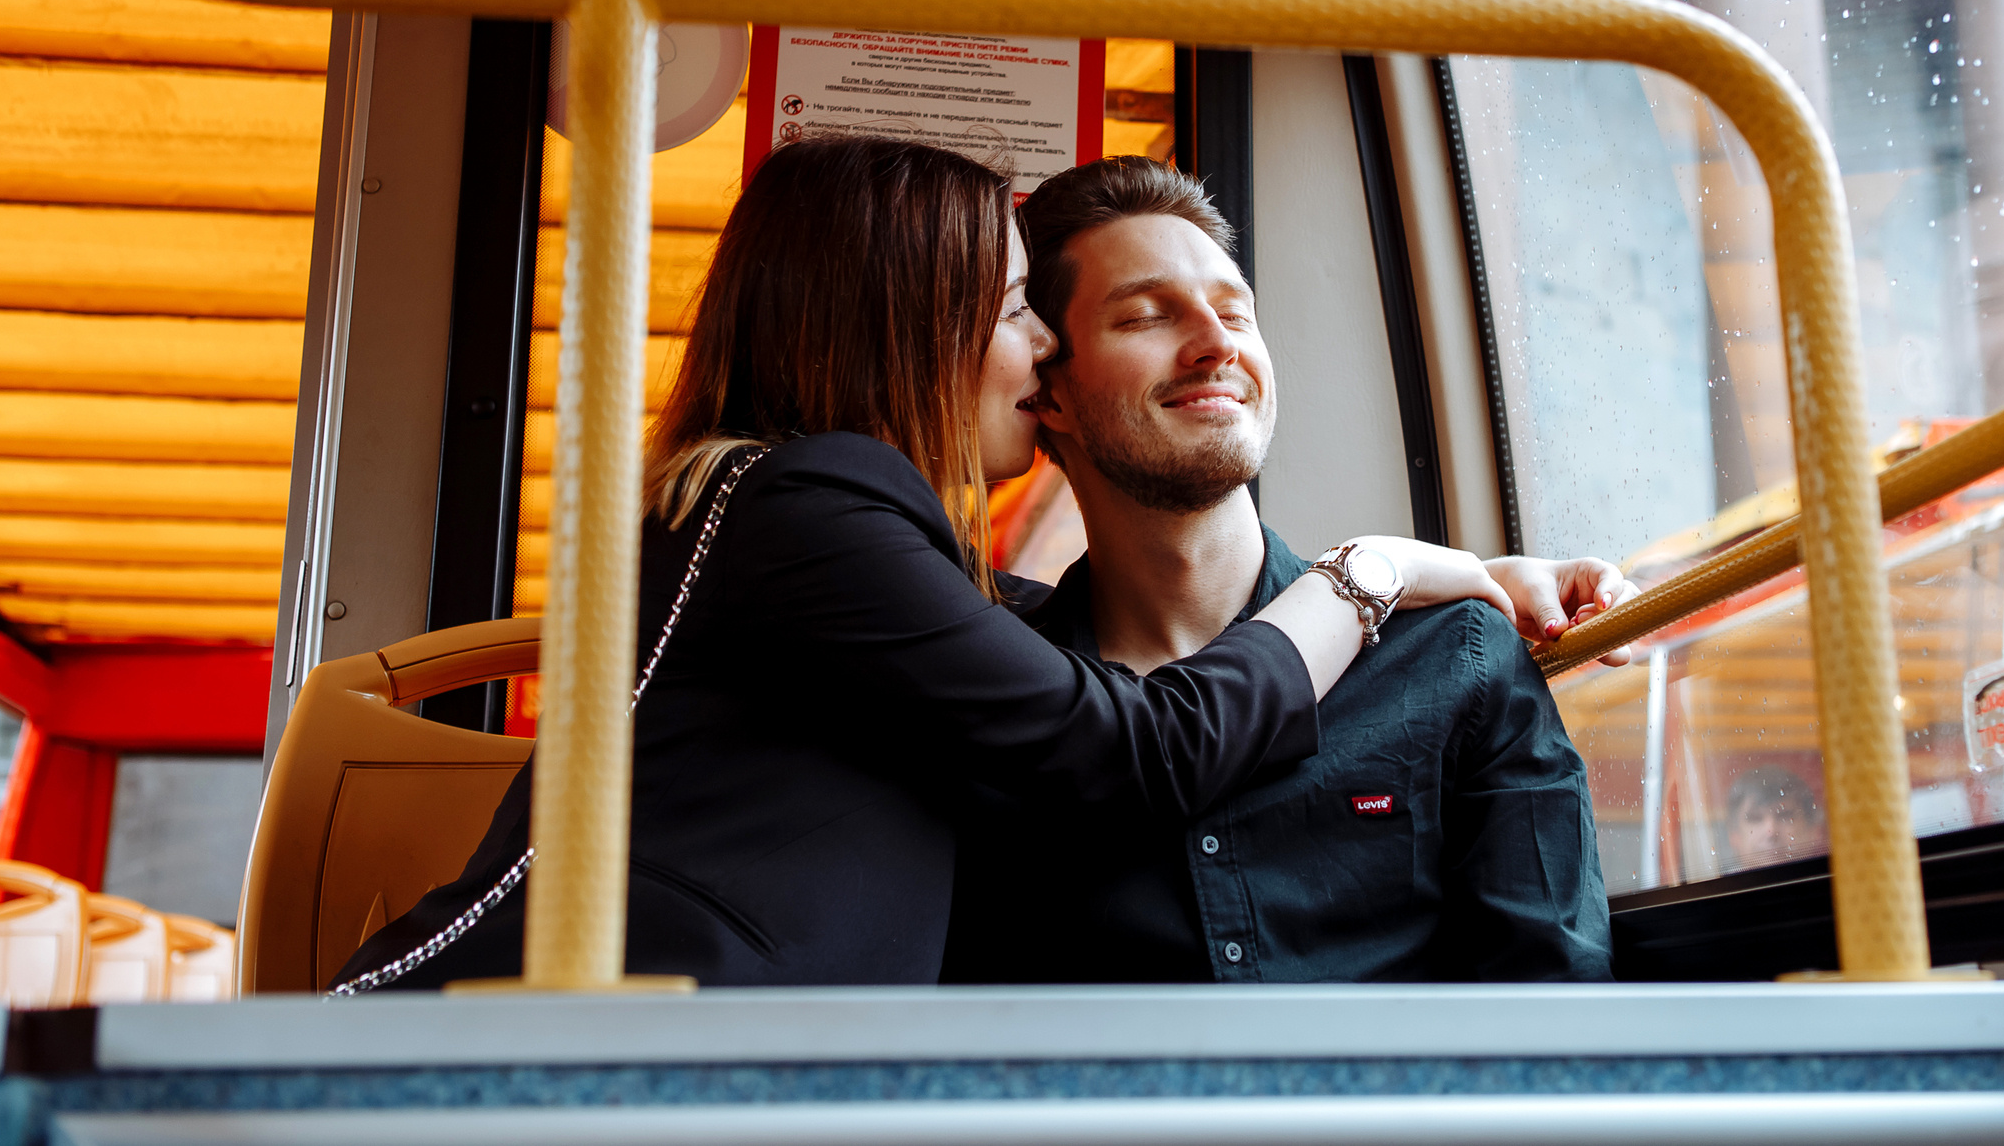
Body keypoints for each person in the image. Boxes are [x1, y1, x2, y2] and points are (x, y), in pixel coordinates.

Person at [334, 135, 1537, 991]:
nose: (1038, 351)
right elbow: (1134, 747)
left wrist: (1473, 579)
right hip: (557, 1056)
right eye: (1020, 312)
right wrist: (1364, 577)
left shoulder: (805, 531)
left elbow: (1027, 634)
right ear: (911, 322)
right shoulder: (808, 500)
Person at [940, 157, 1623, 984]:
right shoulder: (987, 694)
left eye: (1236, 312)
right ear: (1049, 394)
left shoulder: (1459, 655)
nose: (1217, 342)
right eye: (1148, 317)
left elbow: (1551, 1011)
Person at [1724, 766, 1824, 871]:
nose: (1771, 832)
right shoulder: (1721, 886)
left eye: (1784, 816)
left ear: (1814, 830)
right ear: (1734, 836)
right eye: (1755, 818)